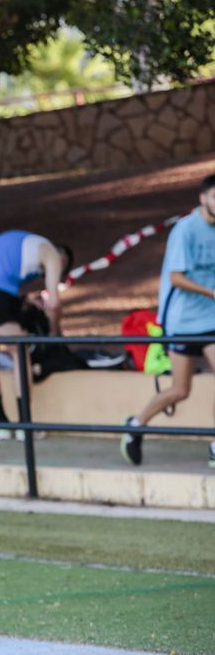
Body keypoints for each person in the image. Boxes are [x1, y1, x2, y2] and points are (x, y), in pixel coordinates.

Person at [122, 174, 215, 468]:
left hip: (211, 319)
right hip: (183, 321)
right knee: (180, 390)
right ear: (203, 198)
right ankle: (135, 425)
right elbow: (176, 277)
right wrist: (211, 292)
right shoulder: (186, 230)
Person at [0, 230, 72, 440]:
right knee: (20, 353)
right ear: (63, 259)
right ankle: (24, 425)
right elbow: (54, 304)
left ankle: (2, 423)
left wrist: (23, 300)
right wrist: (54, 331)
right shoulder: (52, 255)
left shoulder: (25, 243)